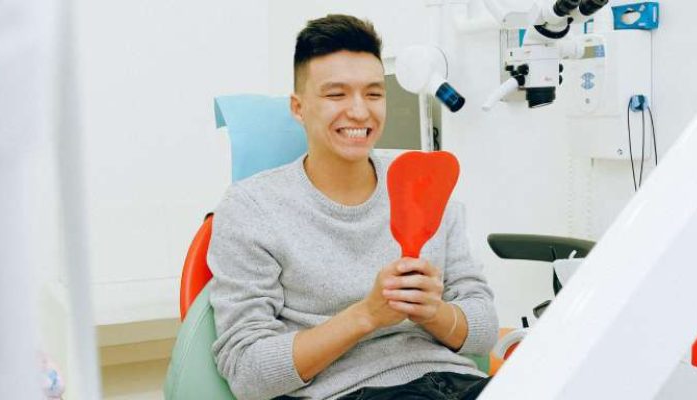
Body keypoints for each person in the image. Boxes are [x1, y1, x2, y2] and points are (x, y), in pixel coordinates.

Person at [208, 14, 498, 400]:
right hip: (352, 392)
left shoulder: (420, 184)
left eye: (374, 94)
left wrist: (434, 312)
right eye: (336, 95)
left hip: (458, 383)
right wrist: (367, 315)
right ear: (298, 108)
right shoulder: (252, 208)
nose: (360, 112)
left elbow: (483, 329)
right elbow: (247, 371)